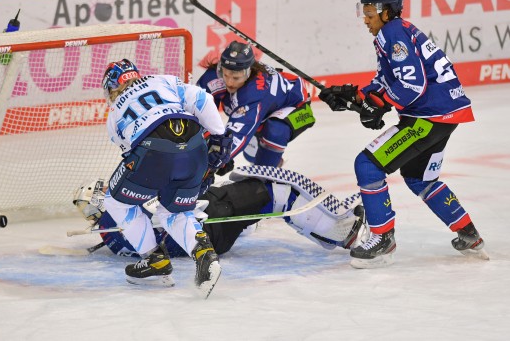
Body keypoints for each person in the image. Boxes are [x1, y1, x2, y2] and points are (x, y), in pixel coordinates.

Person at [318, 0, 487, 268]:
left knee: (367, 165)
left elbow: (413, 84)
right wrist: (355, 95)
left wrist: (381, 103)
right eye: (365, 10)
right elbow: (389, 80)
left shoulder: (392, 33)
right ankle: (468, 233)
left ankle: (383, 239)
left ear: (387, 11)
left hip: (429, 116)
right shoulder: (396, 31)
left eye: (371, 11)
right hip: (446, 113)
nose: (366, 18)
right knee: (420, 178)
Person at [100, 58, 233, 297]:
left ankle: (154, 260)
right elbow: (204, 99)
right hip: (194, 145)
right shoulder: (162, 80)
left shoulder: (114, 112)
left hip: (153, 150)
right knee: (175, 211)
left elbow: (133, 156)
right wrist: (220, 137)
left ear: (111, 86)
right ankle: (204, 255)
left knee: (114, 200)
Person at [72, 165, 367, 259]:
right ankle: (339, 234)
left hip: (204, 234)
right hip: (208, 222)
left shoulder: (112, 236)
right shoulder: (114, 218)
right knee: (273, 192)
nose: (90, 215)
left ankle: (331, 233)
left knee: (269, 198)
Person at [196, 41, 315, 175]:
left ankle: (265, 179)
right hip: (264, 111)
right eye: (226, 75)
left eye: (236, 78)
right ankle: (269, 156)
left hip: (298, 108)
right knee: (251, 154)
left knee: (275, 131)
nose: (229, 82)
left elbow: (238, 133)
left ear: (248, 72)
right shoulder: (213, 76)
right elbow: (200, 111)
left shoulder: (254, 93)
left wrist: (220, 158)